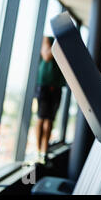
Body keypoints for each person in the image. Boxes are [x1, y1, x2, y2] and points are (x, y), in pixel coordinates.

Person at [35, 36, 65, 164]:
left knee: (50, 120)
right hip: (44, 85)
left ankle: (44, 151)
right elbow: (46, 56)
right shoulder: (48, 39)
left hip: (57, 85)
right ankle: (38, 151)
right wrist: (61, 45)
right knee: (41, 118)